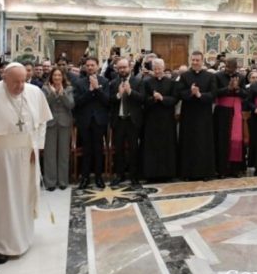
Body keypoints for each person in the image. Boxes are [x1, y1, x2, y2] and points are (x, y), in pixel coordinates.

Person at [0, 62, 52, 263]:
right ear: (4, 78)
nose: (20, 86)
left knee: (23, 197)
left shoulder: (34, 92)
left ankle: (23, 237)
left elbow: (42, 122)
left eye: (23, 81)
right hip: (1, 158)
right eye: (15, 82)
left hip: (27, 154)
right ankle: (1, 244)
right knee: (5, 200)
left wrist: (37, 146)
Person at [178, 51, 217, 180]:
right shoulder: (184, 76)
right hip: (188, 114)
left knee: (203, 142)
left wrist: (200, 95)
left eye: (197, 60)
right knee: (188, 143)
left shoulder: (210, 76)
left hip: (204, 115)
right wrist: (191, 92)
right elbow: (180, 93)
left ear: (202, 61)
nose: (195, 62)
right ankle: (187, 173)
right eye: (193, 60)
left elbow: (213, 94)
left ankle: (205, 173)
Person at [73, 56, 110, 189]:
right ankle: (85, 177)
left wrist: (97, 89)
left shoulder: (105, 81)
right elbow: (77, 102)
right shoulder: (79, 83)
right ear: (85, 67)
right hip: (85, 121)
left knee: (98, 150)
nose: (90, 67)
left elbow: (107, 101)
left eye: (92, 65)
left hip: (99, 121)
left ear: (97, 66)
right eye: (87, 65)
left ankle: (99, 177)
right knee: (86, 150)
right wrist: (90, 91)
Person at [109, 58, 144, 186]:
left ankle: (134, 176)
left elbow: (142, 99)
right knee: (119, 150)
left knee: (134, 149)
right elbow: (109, 101)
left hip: (132, 121)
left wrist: (130, 92)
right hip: (118, 121)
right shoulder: (113, 83)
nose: (122, 70)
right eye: (120, 68)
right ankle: (120, 175)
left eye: (124, 67)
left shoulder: (138, 81)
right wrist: (118, 95)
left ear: (130, 67)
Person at [143, 59, 178, 180]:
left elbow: (174, 99)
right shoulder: (147, 82)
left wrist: (162, 98)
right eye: (155, 69)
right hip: (151, 120)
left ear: (163, 68)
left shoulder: (171, 82)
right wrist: (153, 98)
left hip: (167, 119)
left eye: (159, 68)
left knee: (167, 147)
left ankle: (168, 174)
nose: (157, 71)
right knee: (152, 147)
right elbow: (144, 100)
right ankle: (151, 174)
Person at [213, 58, 247, 177]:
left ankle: (236, 169)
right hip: (222, 112)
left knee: (236, 139)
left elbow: (245, 94)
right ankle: (222, 170)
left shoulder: (241, 77)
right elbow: (215, 93)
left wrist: (237, 89)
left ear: (235, 68)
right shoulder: (217, 76)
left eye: (231, 68)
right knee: (222, 140)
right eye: (227, 67)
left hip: (236, 111)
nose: (228, 69)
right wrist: (228, 89)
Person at [42, 67, 74, 190]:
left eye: (59, 75)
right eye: (55, 75)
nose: (57, 77)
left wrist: (62, 94)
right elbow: (43, 104)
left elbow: (71, 104)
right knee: (49, 153)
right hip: (50, 123)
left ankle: (63, 181)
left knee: (63, 153)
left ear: (63, 77)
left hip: (64, 123)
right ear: (51, 76)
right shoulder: (45, 88)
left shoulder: (68, 88)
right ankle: (50, 182)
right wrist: (52, 94)